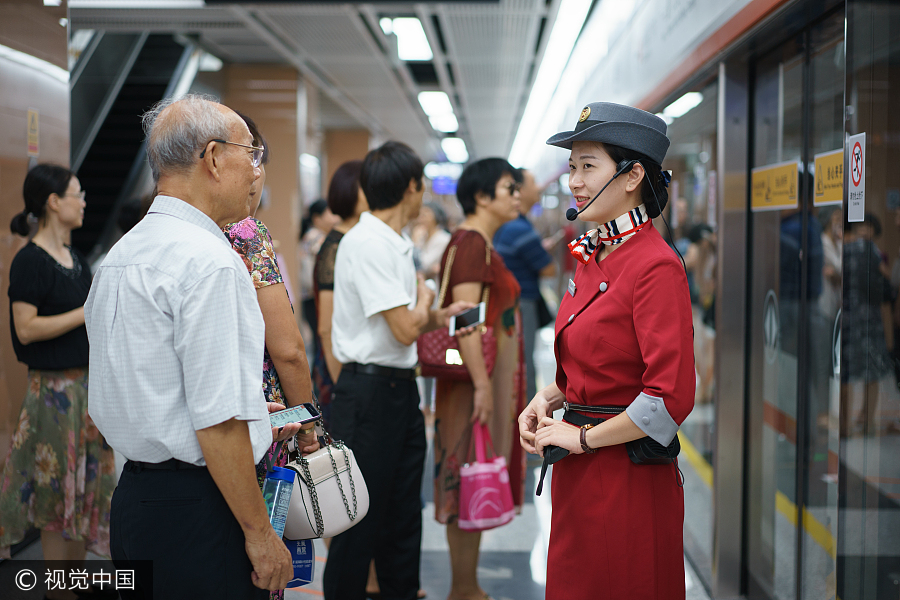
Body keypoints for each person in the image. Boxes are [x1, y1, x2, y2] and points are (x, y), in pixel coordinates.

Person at [85, 94, 304, 599]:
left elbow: (152, 383)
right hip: (203, 507)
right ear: (211, 158)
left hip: (136, 501)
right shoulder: (211, 263)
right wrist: (259, 534)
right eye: (251, 154)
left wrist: (251, 411)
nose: (256, 171)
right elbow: (218, 423)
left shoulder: (121, 255)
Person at [518, 102, 695, 599]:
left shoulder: (656, 266)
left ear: (633, 174)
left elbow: (668, 399)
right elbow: (593, 359)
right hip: (579, 470)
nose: (574, 180)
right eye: (572, 167)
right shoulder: (595, 254)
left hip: (627, 479)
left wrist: (584, 439)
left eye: (587, 166)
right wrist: (547, 398)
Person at [323, 141, 472, 600]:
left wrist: (440, 311)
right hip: (369, 395)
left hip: (395, 391)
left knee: (403, 513)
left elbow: (405, 324)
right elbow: (406, 328)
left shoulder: (391, 242)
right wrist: (427, 301)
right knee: (358, 519)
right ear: (412, 186)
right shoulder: (368, 243)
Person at [0, 165, 117, 600]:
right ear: (53, 202)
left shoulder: (76, 258)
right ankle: (57, 592)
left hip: (85, 391)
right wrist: (86, 310)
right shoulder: (30, 259)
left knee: (84, 491)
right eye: (76, 193)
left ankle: (72, 587)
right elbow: (26, 329)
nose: (83, 200)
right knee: (55, 496)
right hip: (52, 395)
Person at [222, 113, 319, 600]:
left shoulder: (168, 230)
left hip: (192, 432)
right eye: (253, 159)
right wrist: (310, 428)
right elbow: (288, 350)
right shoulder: (246, 234)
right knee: (260, 552)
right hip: (261, 417)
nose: (258, 174)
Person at [433, 158, 527, 600]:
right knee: (467, 476)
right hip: (473, 384)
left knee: (473, 476)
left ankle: (465, 586)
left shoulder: (476, 243)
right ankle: (463, 589)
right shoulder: (471, 243)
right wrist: (485, 386)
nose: (517, 196)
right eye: (509, 188)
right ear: (482, 196)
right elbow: (466, 319)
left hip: (479, 381)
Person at [312, 159, 367, 428]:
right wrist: (340, 385)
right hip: (338, 369)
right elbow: (326, 326)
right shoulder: (337, 244)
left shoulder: (356, 239)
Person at [494, 168, 556, 401]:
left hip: (514, 302)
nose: (538, 187)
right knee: (524, 362)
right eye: (533, 182)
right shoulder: (519, 228)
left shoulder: (512, 226)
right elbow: (549, 268)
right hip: (522, 303)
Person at [299, 198, 336, 351]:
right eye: (329, 213)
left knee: (317, 343)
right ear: (317, 218)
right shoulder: (318, 238)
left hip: (308, 298)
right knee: (321, 345)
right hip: (316, 297)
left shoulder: (309, 236)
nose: (333, 217)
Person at [414, 202, 452, 279]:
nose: (421, 219)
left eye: (424, 215)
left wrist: (415, 241)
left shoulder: (443, 238)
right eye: (420, 215)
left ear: (435, 216)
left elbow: (423, 264)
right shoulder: (423, 237)